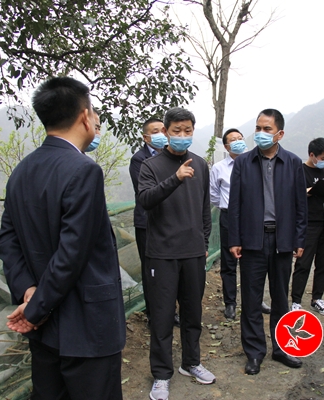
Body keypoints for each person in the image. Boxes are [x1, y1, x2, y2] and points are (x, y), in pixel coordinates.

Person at [0, 77, 126, 399]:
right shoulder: (84, 170)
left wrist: (27, 291)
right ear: (85, 116)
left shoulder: (21, 171)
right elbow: (72, 254)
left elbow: (7, 240)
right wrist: (35, 309)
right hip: (87, 328)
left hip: (45, 332)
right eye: (93, 111)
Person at [137, 107, 215, 400]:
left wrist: (204, 242)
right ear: (166, 132)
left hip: (193, 252)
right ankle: (161, 374)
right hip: (162, 254)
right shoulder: (151, 166)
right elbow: (145, 200)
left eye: (188, 130)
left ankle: (191, 363)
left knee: (193, 313)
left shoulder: (201, 165)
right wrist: (176, 178)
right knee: (162, 317)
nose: (183, 135)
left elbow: (205, 208)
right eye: (177, 131)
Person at [228, 108, 307, 375]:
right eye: (258, 128)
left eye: (267, 129)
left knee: (280, 298)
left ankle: (281, 348)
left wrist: (299, 239)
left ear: (280, 134)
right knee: (251, 299)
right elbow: (235, 205)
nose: (260, 133)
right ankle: (254, 352)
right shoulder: (243, 163)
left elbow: (301, 205)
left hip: (282, 240)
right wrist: (234, 239)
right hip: (253, 239)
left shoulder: (293, 162)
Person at [209, 129, 272, 320]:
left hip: (253, 218)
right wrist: (229, 207)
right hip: (229, 218)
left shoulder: (257, 163)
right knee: (229, 263)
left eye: (240, 138)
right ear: (226, 146)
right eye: (233, 140)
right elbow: (213, 194)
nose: (238, 142)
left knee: (254, 261)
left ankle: (255, 300)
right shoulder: (219, 168)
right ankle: (230, 303)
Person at [129, 118, 180, 327]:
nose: (161, 134)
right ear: (146, 137)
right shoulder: (139, 160)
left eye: (162, 130)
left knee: (171, 268)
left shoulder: (171, 156)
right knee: (150, 270)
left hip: (170, 221)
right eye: (155, 131)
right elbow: (146, 193)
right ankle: (153, 315)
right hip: (147, 223)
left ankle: (171, 312)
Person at [290, 138, 324, 315]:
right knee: (303, 264)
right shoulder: (299, 171)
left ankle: (317, 298)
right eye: (322, 157)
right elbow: (293, 195)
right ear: (312, 155)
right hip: (307, 225)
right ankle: (296, 301)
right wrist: (312, 190)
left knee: (323, 264)